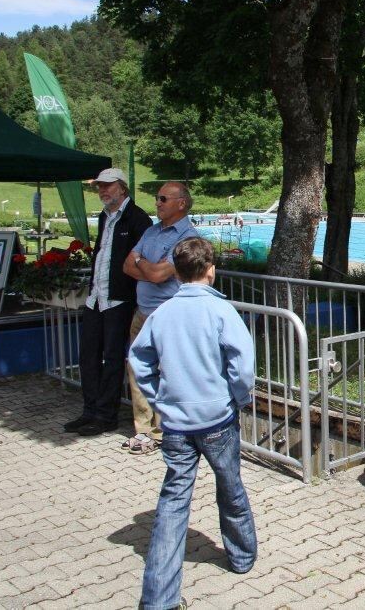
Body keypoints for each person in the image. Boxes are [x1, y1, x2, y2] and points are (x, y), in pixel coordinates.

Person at [129, 237, 257, 610]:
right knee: (230, 485)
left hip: (176, 424)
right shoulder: (221, 312)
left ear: (178, 272)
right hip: (217, 418)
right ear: (211, 270)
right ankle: (242, 556)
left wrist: (159, 401)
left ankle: (158, 598)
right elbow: (242, 366)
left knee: (172, 503)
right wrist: (238, 397)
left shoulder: (162, 313)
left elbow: (139, 362)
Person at [65, 168, 151, 437]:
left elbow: (138, 261)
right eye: (99, 187)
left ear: (122, 188)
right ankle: (90, 410)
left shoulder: (137, 218)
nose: (102, 191)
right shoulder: (105, 217)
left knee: (112, 358)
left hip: (119, 299)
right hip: (96, 297)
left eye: (108, 186)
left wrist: (134, 295)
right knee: (88, 356)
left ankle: (106, 415)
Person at [122, 181, 199, 455]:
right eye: (157, 198)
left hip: (168, 315)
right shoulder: (152, 231)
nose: (157, 202)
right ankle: (144, 432)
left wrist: (141, 262)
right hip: (142, 313)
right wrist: (148, 266)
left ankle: (166, 430)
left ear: (181, 203)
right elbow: (126, 266)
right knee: (138, 370)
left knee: (167, 374)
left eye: (163, 198)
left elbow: (156, 275)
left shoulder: (188, 238)